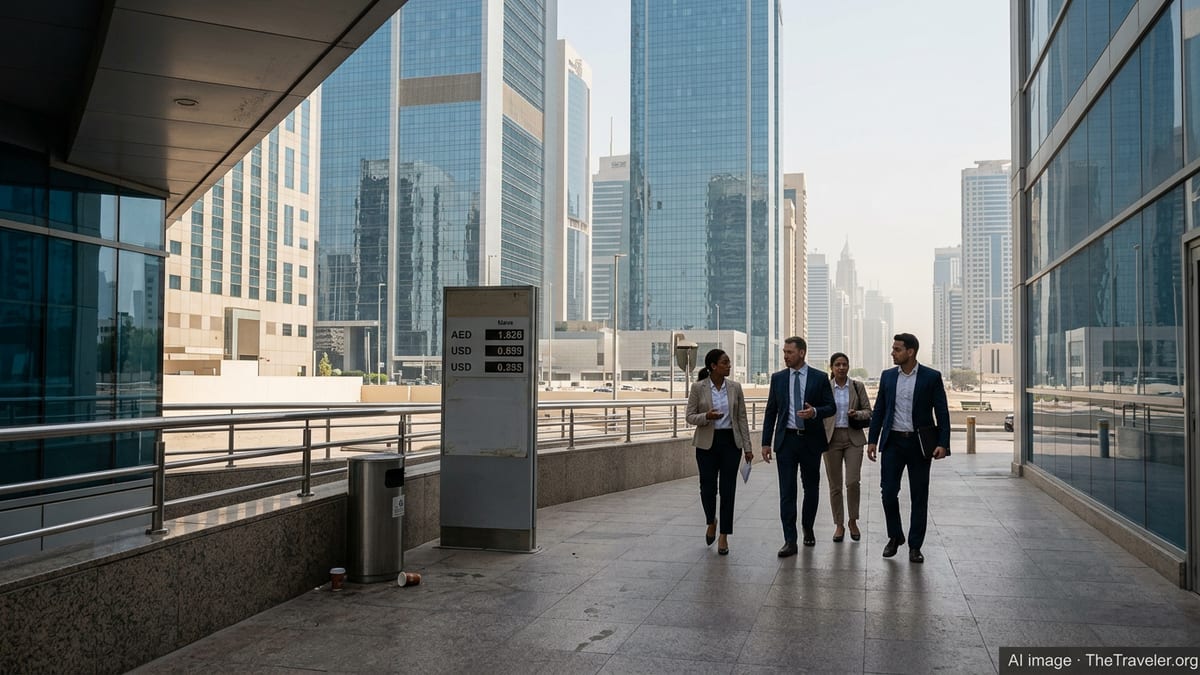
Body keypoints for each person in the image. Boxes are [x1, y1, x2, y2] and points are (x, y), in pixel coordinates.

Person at [866, 333, 951, 564]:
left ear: (910, 352)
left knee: (919, 496)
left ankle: (915, 546)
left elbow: (941, 412)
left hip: (919, 444)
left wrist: (943, 443)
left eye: (897, 349)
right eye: (893, 348)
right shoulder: (887, 376)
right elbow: (880, 410)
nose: (892, 353)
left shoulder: (931, 377)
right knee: (888, 492)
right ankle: (895, 536)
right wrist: (872, 440)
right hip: (893, 442)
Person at [761, 336, 835, 557]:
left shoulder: (819, 378)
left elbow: (830, 407)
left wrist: (815, 412)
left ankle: (808, 526)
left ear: (801, 353)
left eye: (789, 352)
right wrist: (765, 442)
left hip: (810, 441)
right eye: (784, 352)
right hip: (787, 441)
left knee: (811, 489)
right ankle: (790, 540)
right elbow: (770, 412)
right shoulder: (778, 378)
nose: (785, 356)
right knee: (787, 491)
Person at [686, 348, 753, 555]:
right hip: (707, 443)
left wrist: (748, 448)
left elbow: (741, 417)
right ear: (713, 366)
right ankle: (711, 521)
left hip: (730, 443)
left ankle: (724, 535)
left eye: (729, 362)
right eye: (725, 362)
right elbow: (689, 416)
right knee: (707, 488)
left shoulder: (735, 387)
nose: (729, 365)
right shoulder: (698, 387)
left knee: (728, 490)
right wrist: (707, 416)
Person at [822, 352, 871, 543]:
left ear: (848, 366)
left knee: (852, 482)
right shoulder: (825, 388)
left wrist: (856, 414)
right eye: (837, 365)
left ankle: (853, 520)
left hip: (853, 439)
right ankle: (839, 524)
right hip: (831, 439)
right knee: (835, 485)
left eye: (844, 364)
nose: (841, 368)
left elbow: (868, 411)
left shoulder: (857, 387)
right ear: (832, 368)